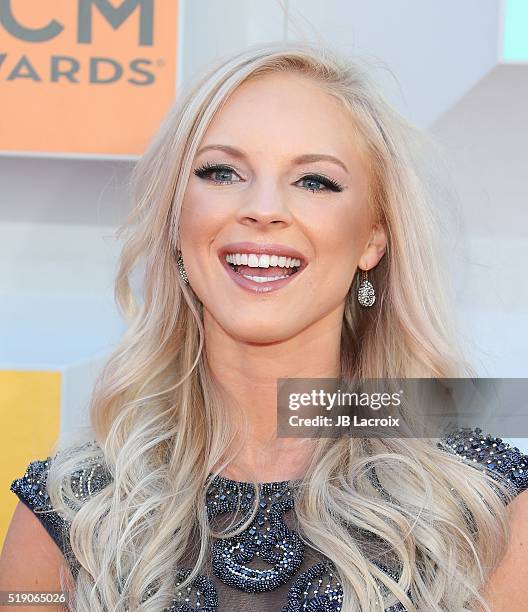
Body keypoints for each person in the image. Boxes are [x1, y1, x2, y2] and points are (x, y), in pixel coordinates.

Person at [1, 41, 527, 612]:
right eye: (222, 172)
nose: (264, 207)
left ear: (373, 238)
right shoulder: (71, 511)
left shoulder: (482, 506)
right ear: (176, 218)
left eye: (315, 181)